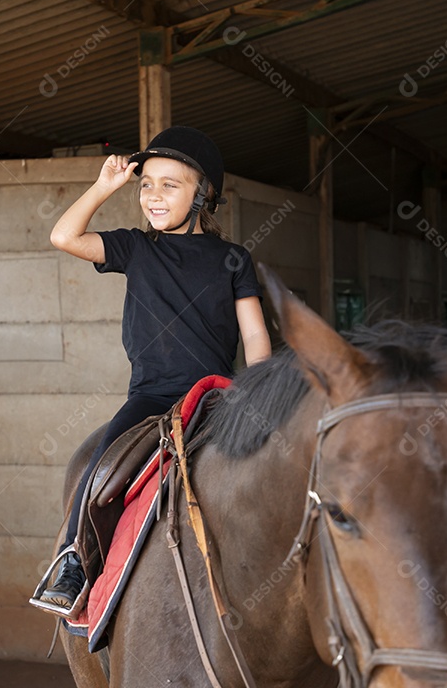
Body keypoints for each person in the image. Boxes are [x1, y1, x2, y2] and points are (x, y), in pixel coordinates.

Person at [34, 126, 271, 615]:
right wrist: (105, 187)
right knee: (101, 469)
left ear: (202, 194)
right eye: (147, 184)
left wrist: (260, 392)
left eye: (171, 184)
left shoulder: (233, 260)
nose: (154, 196)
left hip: (215, 395)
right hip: (150, 396)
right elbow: (64, 236)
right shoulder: (136, 248)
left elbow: (254, 336)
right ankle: (75, 560)